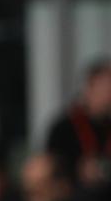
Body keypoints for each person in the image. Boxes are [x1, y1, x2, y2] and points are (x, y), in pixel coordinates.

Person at [46, 59, 111, 191]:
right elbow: (52, 172)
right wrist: (79, 170)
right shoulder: (64, 129)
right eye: (106, 88)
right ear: (89, 89)